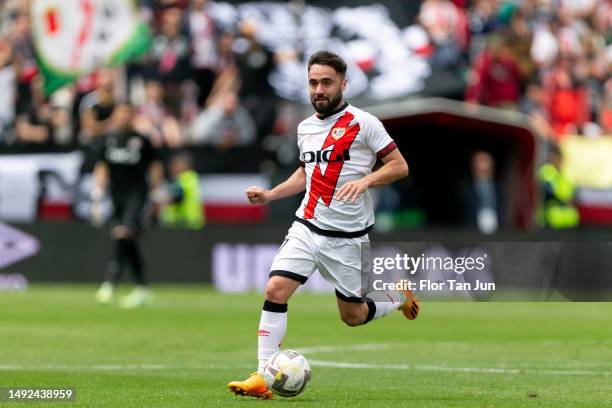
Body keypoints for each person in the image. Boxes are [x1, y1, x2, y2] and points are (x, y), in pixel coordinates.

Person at [227, 51, 420, 400]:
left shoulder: (364, 123)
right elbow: (306, 173)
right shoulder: (305, 127)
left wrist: (366, 182)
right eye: (314, 82)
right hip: (307, 225)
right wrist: (271, 194)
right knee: (275, 290)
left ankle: (398, 296)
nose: (319, 89)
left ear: (343, 84)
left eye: (327, 82)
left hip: (348, 238)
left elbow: (399, 166)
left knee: (353, 316)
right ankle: (261, 374)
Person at [92, 103, 164, 308]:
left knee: (123, 233)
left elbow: (155, 165)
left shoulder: (142, 141)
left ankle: (109, 284)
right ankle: (142, 288)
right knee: (127, 240)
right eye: (120, 113)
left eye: (127, 113)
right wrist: (97, 195)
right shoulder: (108, 140)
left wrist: (157, 193)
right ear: (114, 116)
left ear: (133, 116)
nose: (123, 117)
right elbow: (102, 167)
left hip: (137, 195)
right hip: (116, 196)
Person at [536, 144, 579, 229]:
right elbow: (547, 193)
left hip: (569, 221)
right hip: (550, 221)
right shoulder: (546, 172)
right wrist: (564, 200)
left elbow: (574, 194)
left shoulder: (566, 173)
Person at [160, 152, 205, 229]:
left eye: (176, 164)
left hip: (187, 223)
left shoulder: (186, 179)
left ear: (186, 165)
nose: (172, 167)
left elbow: (177, 197)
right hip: (183, 223)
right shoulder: (186, 178)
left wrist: (162, 200)